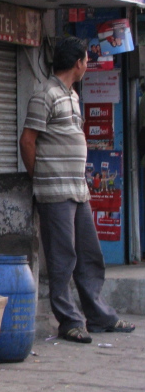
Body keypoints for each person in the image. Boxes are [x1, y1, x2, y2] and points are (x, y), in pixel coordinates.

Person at [19, 36, 135, 344]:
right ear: (78, 63)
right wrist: (41, 176)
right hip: (55, 191)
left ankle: (98, 316)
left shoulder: (71, 95)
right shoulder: (45, 94)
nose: (86, 66)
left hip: (77, 189)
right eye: (85, 61)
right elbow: (27, 141)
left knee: (88, 254)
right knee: (62, 257)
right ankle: (68, 321)